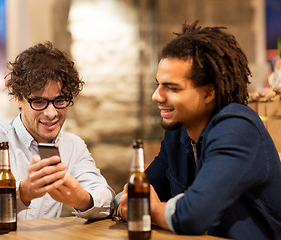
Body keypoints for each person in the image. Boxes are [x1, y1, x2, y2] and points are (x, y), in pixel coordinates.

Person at [116, 21, 281, 239]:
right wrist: (127, 204)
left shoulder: (237, 128)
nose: (157, 96)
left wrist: (149, 210)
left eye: (172, 88)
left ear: (208, 92)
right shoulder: (178, 132)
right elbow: (133, 193)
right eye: (158, 84)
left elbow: (193, 215)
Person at [0, 42, 115, 225]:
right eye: (39, 101)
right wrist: (22, 192)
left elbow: (106, 198)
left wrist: (81, 199)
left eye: (60, 100)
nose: (51, 113)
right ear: (17, 97)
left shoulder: (72, 145)